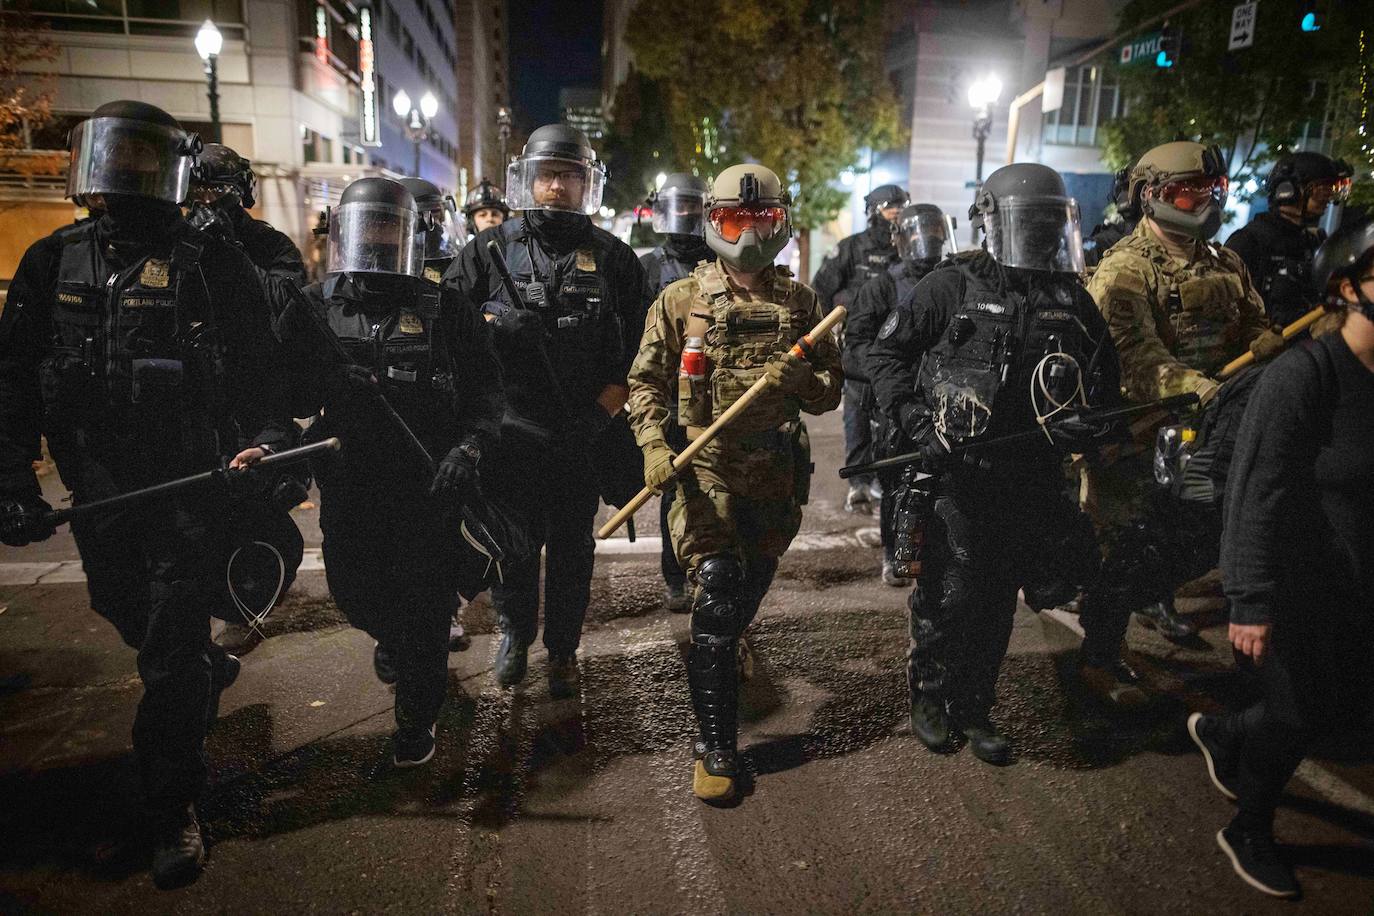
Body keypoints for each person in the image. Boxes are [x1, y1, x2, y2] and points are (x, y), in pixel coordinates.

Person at [0, 101, 292, 888]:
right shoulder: (50, 262)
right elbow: (13, 383)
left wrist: (263, 438)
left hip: (185, 491)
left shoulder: (208, 263)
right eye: (113, 155)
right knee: (124, 608)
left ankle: (171, 805)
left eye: (142, 157)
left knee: (166, 650)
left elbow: (265, 368)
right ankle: (196, 663)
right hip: (98, 496)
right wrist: (10, 479)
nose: (125, 173)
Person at [869, 162, 1121, 766]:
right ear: (990, 223)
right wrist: (914, 422)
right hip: (956, 469)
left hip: (1030, 475)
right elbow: (887, 355)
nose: (1034, 237)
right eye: (1023, 224)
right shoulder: (952, 286)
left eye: (1044, 225)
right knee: (949, 592)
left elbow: (1105, 385)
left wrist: (1092, 424)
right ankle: (929, 696)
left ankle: (976, 706)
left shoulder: (1073, 299)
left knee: (997, 601)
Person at [628, 162, 843, 804]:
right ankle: (717, 746)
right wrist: (651, 447)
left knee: (754, 579)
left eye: (760, 220)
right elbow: (644, 383)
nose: (746, 234)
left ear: (779, 223)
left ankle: (732, 644)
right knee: (716, 599)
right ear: (711, 222)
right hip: (707, 468)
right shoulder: (680, 302)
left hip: (775, 470)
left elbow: (829, 394)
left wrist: (798, 378)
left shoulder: (802, 305)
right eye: (732, 220)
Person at [274, 177, 503, 766]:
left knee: (425, 608)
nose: (375, 240)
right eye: (365, 227)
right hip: (350, 482)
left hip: (427, 483)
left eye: (388, 228)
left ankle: (416, 719)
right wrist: (325, 387)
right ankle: (394, 639)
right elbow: (281, 392)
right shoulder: (311, 306)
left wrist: (468, 450)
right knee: (354, 593)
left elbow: (486, 397)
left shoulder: (445, 307)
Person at [1187, 218, 1374, 899]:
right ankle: (1249, 828)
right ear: (1347, 288)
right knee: (1297, 715)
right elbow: (1256, 490)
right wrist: (1250, 599)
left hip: (1359, 582)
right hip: (1299, 582)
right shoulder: (1304, 376)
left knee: (1341, 706)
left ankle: (1226, 731)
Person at [446, 124, 651, 699]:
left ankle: (563, 648)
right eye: (547, 175)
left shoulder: (614, 258)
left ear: (587, 184)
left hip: (583, 429)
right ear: (528, 180)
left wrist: (603, 415)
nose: (557, 187)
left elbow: (640, 351)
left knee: (572, 548)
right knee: (514, 543)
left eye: (569, 176)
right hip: (511, 430)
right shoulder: (487, 250)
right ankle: (514, 632)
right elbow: (449, 329)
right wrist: (493, 325)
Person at [1078, 141, 1284, 707]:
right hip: (1141, 439)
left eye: (1213, 191)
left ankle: (1151, 604)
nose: (1204, 202)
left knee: (1194, 536)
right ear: (1151, 196)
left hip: (1205, 438)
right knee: (1123, 548)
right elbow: (1131, 358)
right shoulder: (1126, 268)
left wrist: (1263, 342)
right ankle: (1100, 655)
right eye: (1189, 191)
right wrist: (1196, 386)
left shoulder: (1225, 263)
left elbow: (1252, 323)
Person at [848, 203, 953, 586]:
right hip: (895, 404)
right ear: (898, 239)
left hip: (942, 400)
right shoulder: (881, 287)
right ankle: (894, 553)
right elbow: (857, 346)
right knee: (896, 482)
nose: (925, 241)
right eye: (914, 233)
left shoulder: (955, 281)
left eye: (932, 232)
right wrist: (887, 377)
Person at [401, 176, 472, 652]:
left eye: (433, 218)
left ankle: (443, 610)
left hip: (448, 412)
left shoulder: (456, 266)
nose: (428, 229)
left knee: (444, 527)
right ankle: (394, 629)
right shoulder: (383, 271)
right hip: (399, 412)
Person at [641, 171, 715, 612]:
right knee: (674, 487)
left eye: (693, 206)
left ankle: (710, 571)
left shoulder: (721, 260)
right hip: (669, 397)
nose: (686, 215)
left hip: (714, 394)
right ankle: (676, 575)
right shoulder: (648, 267)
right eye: (679, 206)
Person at [813, 183, 909, 513]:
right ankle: (859, 483)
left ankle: (886, 477)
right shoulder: (852, 248)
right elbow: (821, 290)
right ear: (873, 211)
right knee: (856, 410)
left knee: (893, 411)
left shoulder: (908, 246)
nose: (895, 212)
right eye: (889, 207)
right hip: (858, 342)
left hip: (896, 345)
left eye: (900, 206)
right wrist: (827, 334)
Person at [1225, 151, 1351, 328]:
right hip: (1261, 349)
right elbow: (1225, 307)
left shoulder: (1314, 242)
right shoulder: (1250, 240)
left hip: (1306, 346)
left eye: (1331, 191)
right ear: (1289, 190)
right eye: (1322, 190)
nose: (1328, 199)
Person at [185, 143, 307, 291]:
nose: (205, 199)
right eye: (195, 191)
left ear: (239, 192)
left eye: (217, 190)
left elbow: (284, 302)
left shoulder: (273, 245)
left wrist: (232, 254)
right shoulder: (176, 238)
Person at [400, 176, 465, 284]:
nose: (434, 223)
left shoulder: (448, 258)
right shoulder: (394, 263)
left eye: (435, 213)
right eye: (424, 216)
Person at [1083, 161, 1140, 269]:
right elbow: (1085, 251)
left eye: (1128, 187)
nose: (1124, 195)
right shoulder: (1108, 239)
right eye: (1121, 189)